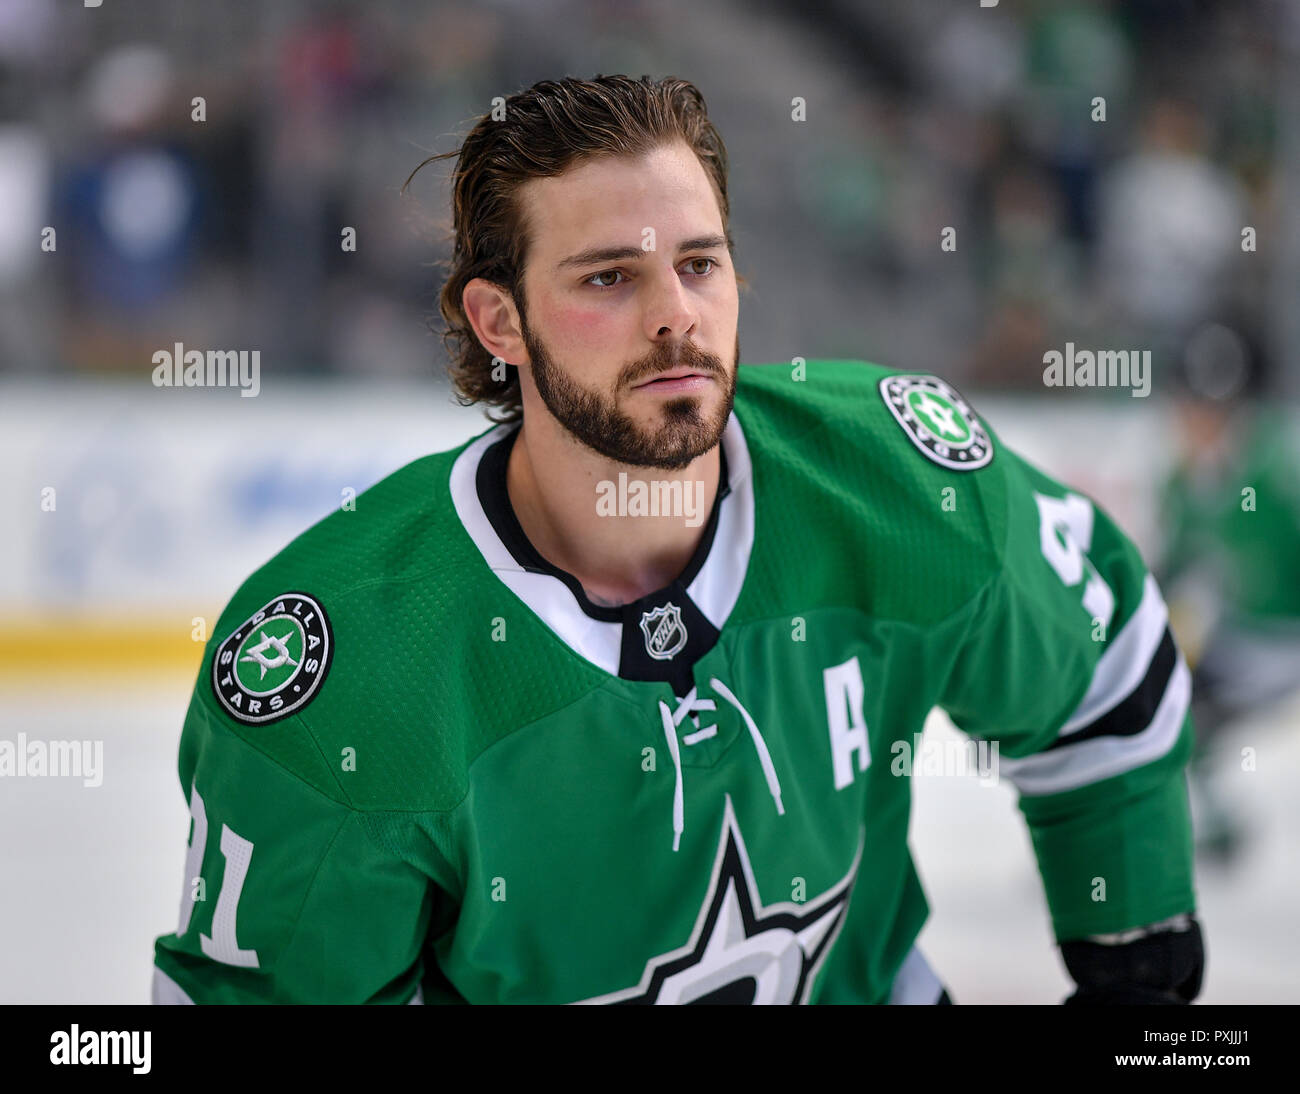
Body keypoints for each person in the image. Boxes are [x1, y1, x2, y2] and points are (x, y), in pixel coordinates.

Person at [153, 74, 1202, 1005]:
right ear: (499, 322)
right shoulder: (349, 671)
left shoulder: (902, 482)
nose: (675, 316)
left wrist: (1134, 955)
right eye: (609, 277)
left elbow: (1102, 668)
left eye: (699, 264)